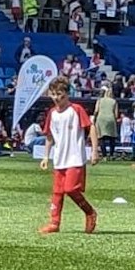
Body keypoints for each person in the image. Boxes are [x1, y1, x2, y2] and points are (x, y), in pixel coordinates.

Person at [39, 76, 99, 235]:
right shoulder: (52, 113)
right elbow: (50, 136)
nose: (57, 98)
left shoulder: (76, 110)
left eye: (60, 95)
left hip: (75, 158)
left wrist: (94, 150)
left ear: (67, 94)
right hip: (59, 159)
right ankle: (54, 223)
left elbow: (91, 128)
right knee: (57, 192)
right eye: (53, 94)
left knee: (71, 189)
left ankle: (89, 212)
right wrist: (46, 156)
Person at [94, 82, 120, 158]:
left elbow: (96, 111)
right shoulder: (114, 101)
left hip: (101, 119)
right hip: (110, 119)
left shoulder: (99, 100)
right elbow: (116, 114)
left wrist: (94, 119)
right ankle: (111, 155)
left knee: (101, 138)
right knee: (112, 138)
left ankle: (104, 156)